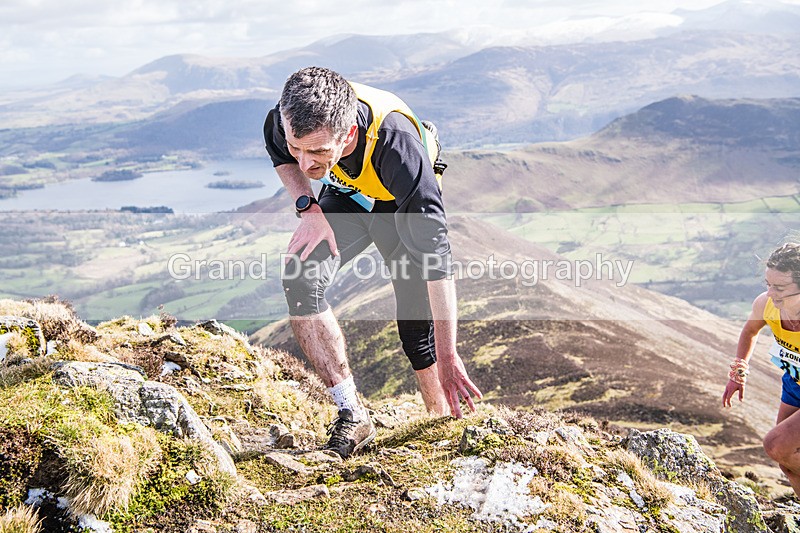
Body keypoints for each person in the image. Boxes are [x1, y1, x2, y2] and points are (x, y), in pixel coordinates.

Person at [263, 66, 482, 459]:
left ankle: (441, 426)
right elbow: (280, 151)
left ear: (347, 134)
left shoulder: (398, 148)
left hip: (397, 201)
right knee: (299, 276)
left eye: (316, 152)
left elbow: (438, 262)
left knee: (416, 326)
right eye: (298, 147)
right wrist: (308, 206)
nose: (305, 162)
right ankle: (351, 412)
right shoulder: (288, 120)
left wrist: (450, 357)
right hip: (349, 194)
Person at [722, 242, 800, 496]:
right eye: (768, 284)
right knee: (788, 464)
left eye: (779, 287)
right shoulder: (765, 305)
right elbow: (750, 330)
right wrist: (738, 372)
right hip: (793, 385)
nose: (770, 293)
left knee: (777, 445)